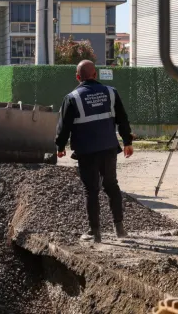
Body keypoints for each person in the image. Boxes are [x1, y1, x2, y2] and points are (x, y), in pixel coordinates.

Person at [55, 60, 134, 243]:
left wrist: (60, 146)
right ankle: (119, 229)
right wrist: (127, 142)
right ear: (95, 74)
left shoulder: (72, 98)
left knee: (91, 190)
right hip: (108, 148)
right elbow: (122, 119)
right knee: (111, 186)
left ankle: (95, 233)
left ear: (77, 77)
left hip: (86, 151)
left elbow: (63, 126)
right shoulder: (111, 93)